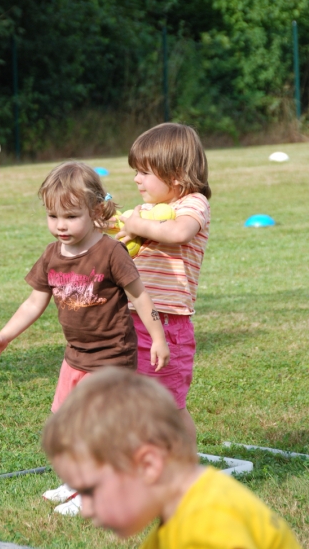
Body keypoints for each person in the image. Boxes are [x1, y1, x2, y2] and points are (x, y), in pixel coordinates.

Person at [0, 161, 170, 514]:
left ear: (96, 211)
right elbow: (33, 302)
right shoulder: (52, 255)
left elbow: (140, 296)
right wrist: (6, 335)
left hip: (111, 359)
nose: (60, 226)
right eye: (53, 217)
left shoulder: (110, 252)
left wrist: (158, 338)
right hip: (75, 358)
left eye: (70, 216)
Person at [42, 367, 302, 549]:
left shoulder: (210, 527)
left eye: (90, 490)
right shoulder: (182, 514)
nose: (87, 509)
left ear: (148, 465)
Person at [117, 123, 211, 442]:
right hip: (131, 317)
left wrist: (137, 224)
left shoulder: (192, 204)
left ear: (176, 176)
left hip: (169, 322)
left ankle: (183, 468)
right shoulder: (144, 211)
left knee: (169, 403)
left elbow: (179, 232)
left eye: (144, 172)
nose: (136, 179)